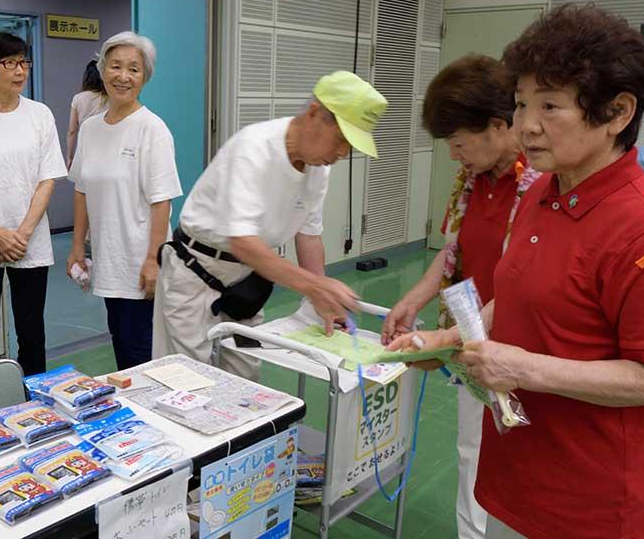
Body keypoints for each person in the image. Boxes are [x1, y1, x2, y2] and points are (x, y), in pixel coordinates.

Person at [389, 4, 644, 539]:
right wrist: (446, 340)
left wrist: (525, 369)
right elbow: (517, 297)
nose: (526, 125)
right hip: (515, 477)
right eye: (522, 103)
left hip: (589, 505)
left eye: (550, 105)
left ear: (617, 112)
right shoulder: (542, 191)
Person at [382, 54, 541, 539]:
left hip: (524, 349)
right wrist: (413, 299)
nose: (454, 155)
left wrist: (447, 339)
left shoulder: (539, 186)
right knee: (472, 449)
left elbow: (528, 283)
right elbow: (455, 253)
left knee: (522, 462)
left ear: (497, 126)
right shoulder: (473, 182)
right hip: (473, 343)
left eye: (458, 142)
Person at [153, 71, 386, 380]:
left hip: (248, 281)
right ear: (314, 113)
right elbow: (242, 241)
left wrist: (321, 300)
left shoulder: (318, 169)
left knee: (245, 375)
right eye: (342, 140)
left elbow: (309, 235)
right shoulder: (254, 147)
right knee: (188, 378)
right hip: (196, 271)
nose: (343, 153)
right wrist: (315, 287)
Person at [66, 31, 182, 371]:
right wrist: (77, 247)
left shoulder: (152, 129)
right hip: (108, 258)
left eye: (134, 69)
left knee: (139, 351)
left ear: (145, 77)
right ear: (102, 70)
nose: (123, 76)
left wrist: (153, 260)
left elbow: (161, 201)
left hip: (139, 262)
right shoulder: (90, 128)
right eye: (115, 66)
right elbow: (82, 189)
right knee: (121, 339)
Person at [0, 31, 68, 376]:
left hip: (29, 240)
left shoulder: (39, 114)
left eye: (23, 62)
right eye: (9, 63)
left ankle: (33, 397)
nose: (20, 70)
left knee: (32, 330)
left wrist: (22, 233)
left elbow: (48, 178)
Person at [65, 60, 107, 169]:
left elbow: (72, 131)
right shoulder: (109, 99)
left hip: (84, 150)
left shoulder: (78, 98)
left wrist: (69, 157)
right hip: (106, 150)